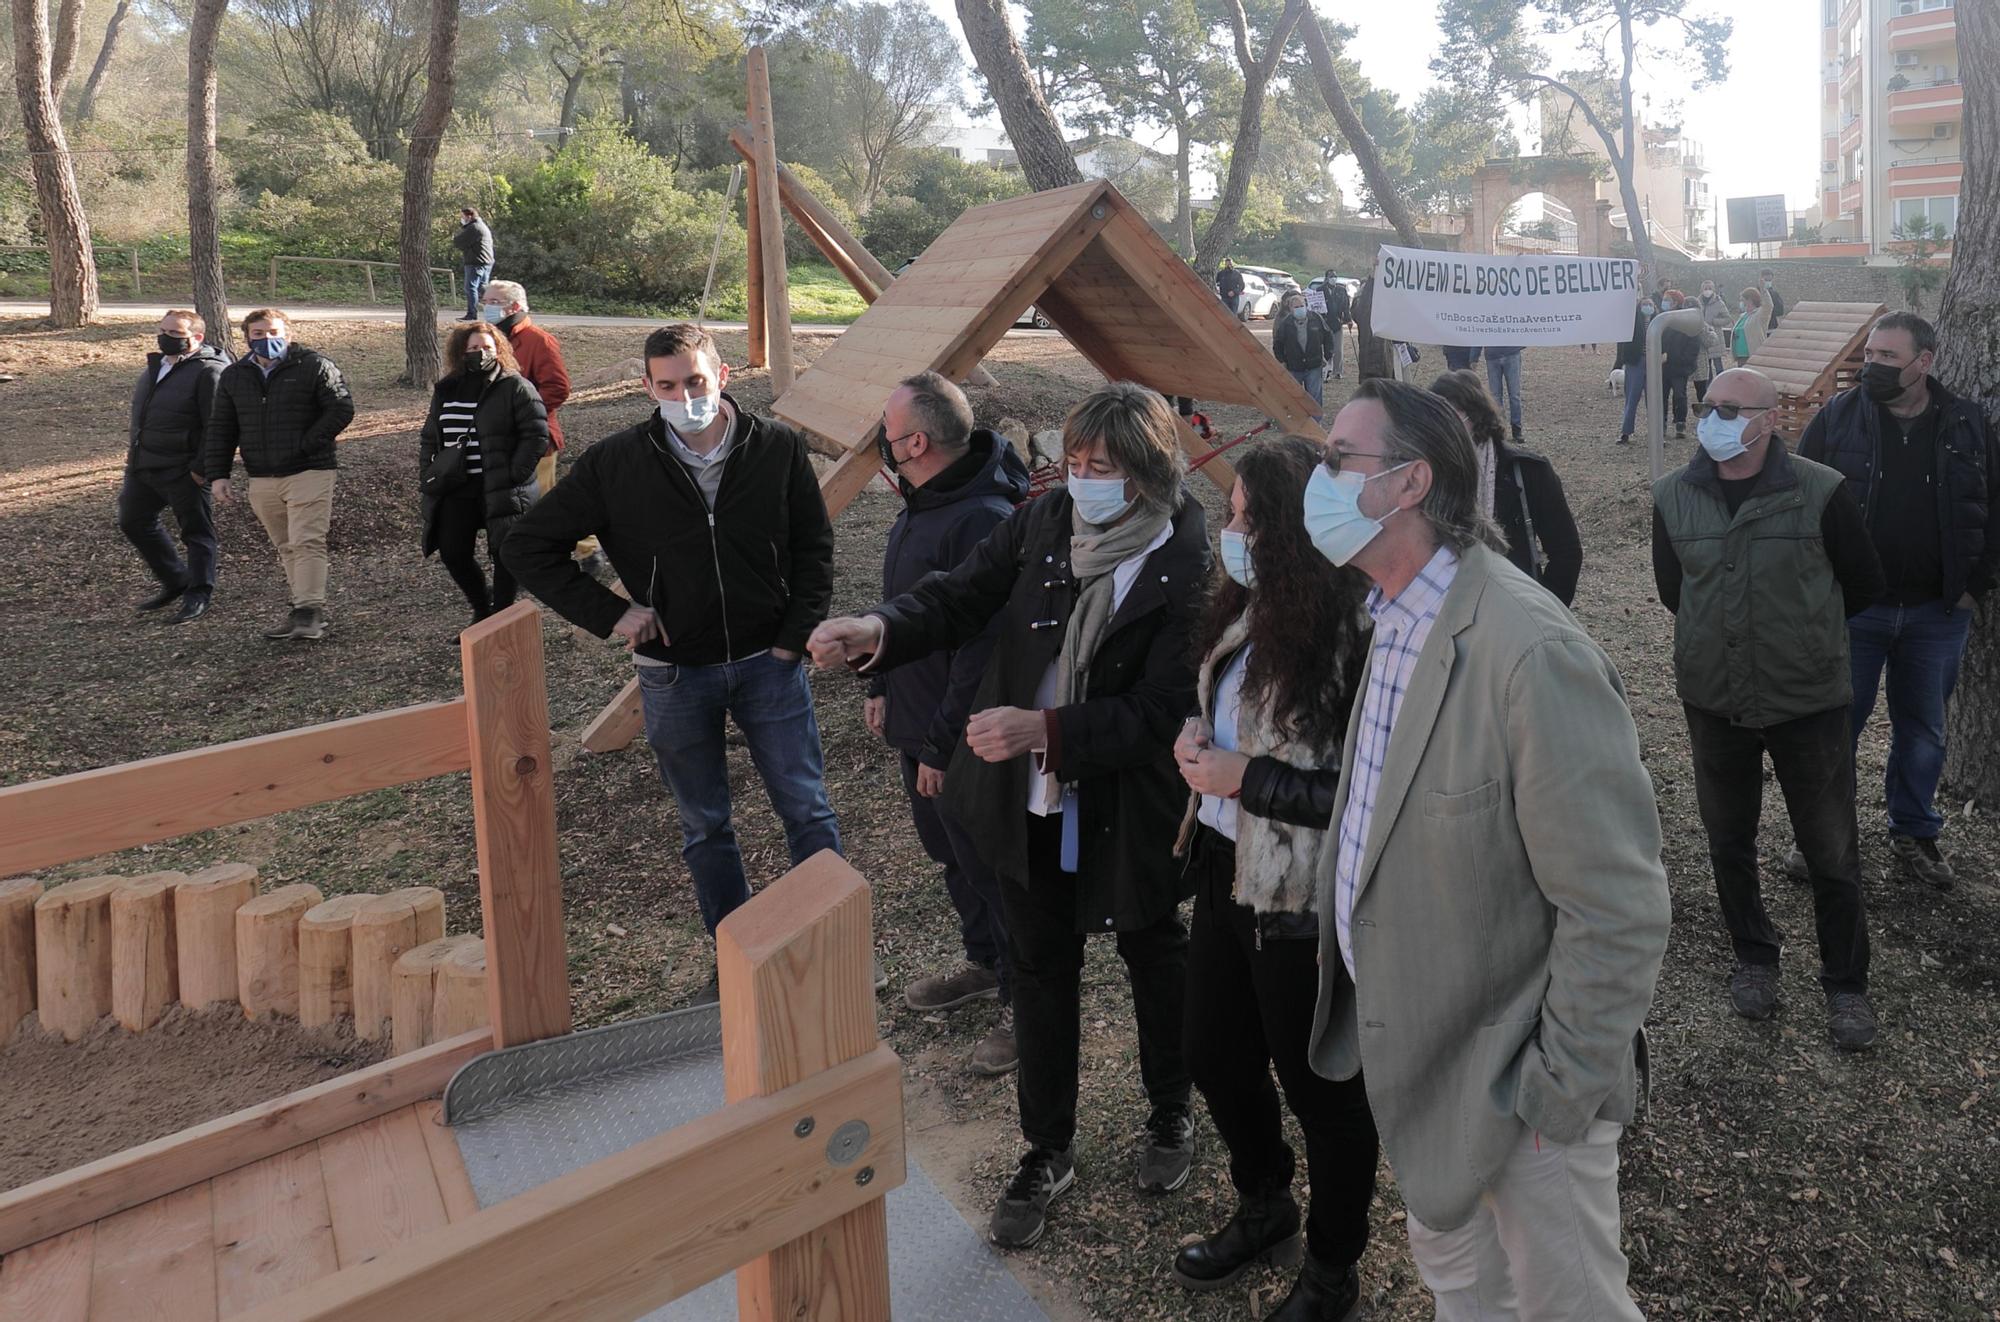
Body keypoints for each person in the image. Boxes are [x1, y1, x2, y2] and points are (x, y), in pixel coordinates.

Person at [809, 383, 1209, 1251]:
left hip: (1126, 802)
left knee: (1153, 954)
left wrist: (1050, 728)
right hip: (1030, 800)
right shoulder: (1046, 520)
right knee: (1038, 967)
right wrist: (875, 627)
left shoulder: (1184, 554)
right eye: (1074, 461)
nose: (1083, 478)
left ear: (1146, 473)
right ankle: (1047, 1146)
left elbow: (1166, 705)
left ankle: (1171, 1113)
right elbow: (959, 593)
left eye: (1102, 467)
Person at [1306, 378, 1671, 1319]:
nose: (1319, 477)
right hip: (1426, 1073)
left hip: (1521, 1095)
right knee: (1466, 1294)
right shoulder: (1390, 616)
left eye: (1338, 458)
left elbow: (1617, 903)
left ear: (1411, 482)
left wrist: (1558, 1097)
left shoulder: (1529, 649)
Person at [502, 323, 840, 999]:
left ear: (722, 376)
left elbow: (814, 547)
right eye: (667, 386)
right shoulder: (617, 463)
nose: (684, 396)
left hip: (768, 663)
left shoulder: (774, 448)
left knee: (805, 807)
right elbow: (528, 546)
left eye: (696, 381)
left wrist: (794, 632)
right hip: (673, 674)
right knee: (706, 824)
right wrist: (612, 613)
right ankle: (736, 958)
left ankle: (829, 939)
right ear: (648, 388)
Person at [1170, 437, 1380, 1320]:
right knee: (1212, 1053)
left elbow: (1370, 793)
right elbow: (1226, 723)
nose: (1233, 531)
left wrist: (1244, 779)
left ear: (1296, 532)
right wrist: (1194, 747)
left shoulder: (1356, 636)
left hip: (1297, 897)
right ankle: (1266, 1201)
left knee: (1320, 1091)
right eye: (1232, 515)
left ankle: (1333, 1268)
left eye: (1250, 519)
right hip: (1224, 865)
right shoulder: (1246, 610)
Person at [1653, 368, 1885, 1050]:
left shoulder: (1819, 491)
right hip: (1715, 699)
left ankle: (1846, 986)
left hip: (1806, 700)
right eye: (1707, 406)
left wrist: (1798, 637)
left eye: (1728, 408)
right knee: (1729, 840)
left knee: (1831, 851)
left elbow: (1863, 585)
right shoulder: (1673, 497)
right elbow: (1678, 593)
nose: (1713, 418)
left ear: (1767, 418)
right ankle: (1754, 957)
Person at [1799, 312, 2000, 890]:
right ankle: (1819, 836)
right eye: (1871, 355)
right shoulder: (1838, 418)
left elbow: (1994, 506)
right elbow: (1797, 501)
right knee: (1837, 724)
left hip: (1937, 614)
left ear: (1925, 362)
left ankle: (1913, 832)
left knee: (1924, 730)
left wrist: (1972, 586)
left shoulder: (1967, 423)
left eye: (1889, 357)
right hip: (1854, 610)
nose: (1874, 367)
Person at [867, 371, 1030, 1076]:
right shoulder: (929, 496)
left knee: (992, 872)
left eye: (889, 430)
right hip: (915, 719)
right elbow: (903, 602)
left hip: (960, 738)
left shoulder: (981, 517)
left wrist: (940, 744)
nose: (883, 441)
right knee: (952, 860)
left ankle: (1027, 1006)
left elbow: (981, 651)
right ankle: (985, 963)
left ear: (917, 441)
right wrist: (880, 681)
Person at [201, 308, 355, 641]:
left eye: (273, 332)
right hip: (261, 476)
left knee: (307, 541)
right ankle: (304, 608)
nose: (267, 339)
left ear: (287, 332)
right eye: (258, 334)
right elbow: (221, 427)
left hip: (309, 470)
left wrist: (307, 444)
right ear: (247, 337)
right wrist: (219, 474)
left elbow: (342, 408)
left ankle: (308, 611)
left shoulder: (314, 365)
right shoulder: (235, 375)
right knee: (287, 545)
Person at [418, 322, 549, 625]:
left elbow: (536, 434)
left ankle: (500, 617)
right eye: (474, 348)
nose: (481, 353)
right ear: (461, 352)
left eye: (487, 347)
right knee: (452, 552)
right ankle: (480, 608)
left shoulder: (514, 385)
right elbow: (430, 435)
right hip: (456, 486)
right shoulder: (446, 388)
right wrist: (428, 471)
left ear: (499, 350)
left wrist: (516, 473)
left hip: (501, 485)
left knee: (505, 553)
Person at [480, 280, 603, 575]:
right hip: (498, 440)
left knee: (546, 500)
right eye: (486, 300)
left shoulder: (539, 341)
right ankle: (522, 556)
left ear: (515, 307)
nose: (487, 306)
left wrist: (523, 415)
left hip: (535, 438)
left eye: (494, 301)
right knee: (512, 503)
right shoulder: (490, 339)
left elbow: (558, 388)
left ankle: (589, 549)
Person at [1429, 369, 1582, 604]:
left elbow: (1566, 552)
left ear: (1475, 416)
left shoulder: (1528, 472)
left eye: (1452, 417)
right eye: (1435, 419)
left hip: (1514, 605)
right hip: (1442, 608)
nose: (1443, 428)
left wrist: (1544, 612)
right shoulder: (1424, 474)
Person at [122, 309, 229, 625]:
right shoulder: (156, 366)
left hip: (184, 468)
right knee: (132, 520)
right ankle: (175, 579)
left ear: (196, 338)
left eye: (174, 334)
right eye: (163, 330)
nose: (165, 338)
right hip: (144, 464)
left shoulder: (210, 371)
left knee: (196, 532)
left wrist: (201, 468)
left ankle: (199, 593)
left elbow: (218, 424)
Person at [1271, 291, 1332, 410]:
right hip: (1294, 366)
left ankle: (1315, 422)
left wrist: (1328, 355)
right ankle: (1297, 421)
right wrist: (1281, 360)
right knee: (1295, 397)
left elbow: (1328, 336)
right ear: (1291, 309)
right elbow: (1278, 343)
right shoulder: (1285, 323)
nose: (1300, 309)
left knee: (1314, 396)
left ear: (1306, 305)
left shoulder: (1316, 318)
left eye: (1301, 306)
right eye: (1296, 307)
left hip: (1314, 364)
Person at [1614, 295, 1657, 445]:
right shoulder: (1631, 321)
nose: (1648, 307)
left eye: (1650, 304)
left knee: (1654, 401)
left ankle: (1657, 434)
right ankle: (1625, 432)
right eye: (1645, 304)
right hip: (1635, 362)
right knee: (1631, 399)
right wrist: (1621, 361)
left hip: (1654, 363)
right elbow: (1622, 342)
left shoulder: (1659, 321)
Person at [1660, 289, 1702, 440]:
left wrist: (1671, 357)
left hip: (1679, 367)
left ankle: (1680, 423)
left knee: (1679, 395)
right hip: (1663, 367)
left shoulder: (1685, 321)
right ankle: (1661, 425)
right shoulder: (1662, 319)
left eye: (1666, 300)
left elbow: (1693, 344)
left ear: (1676, 302)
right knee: (1661, 397)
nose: (1663, 302)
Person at [454, 206, 495, 321]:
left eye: (463, 216)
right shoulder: (481, 226)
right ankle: (495, 310)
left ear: (469, 216)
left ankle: (472, 314)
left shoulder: (474, 228)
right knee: (483, 288)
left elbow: (458, 241)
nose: (461, 219)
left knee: (471, 287)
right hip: (486, 261)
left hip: (476, 262)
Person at [1483, 344, 1526, 444]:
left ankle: (1516, 430)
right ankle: (1500, 429)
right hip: (1493, 356)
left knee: (1514, 395)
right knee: (1496, 397)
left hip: (1510, 353)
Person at [1697, 279, 1733, 390]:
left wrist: (1715, 321)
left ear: (1713, 290)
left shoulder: (1719, 302)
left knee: (1718, 365)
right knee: (1706, 366)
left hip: (1715, 337)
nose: (1707, 291)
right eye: (1705, 288)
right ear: (1701, 289)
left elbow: (1727, 318)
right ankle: (1710, 388)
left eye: (1709, 288)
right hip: (1702, 338)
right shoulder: (1697, 302)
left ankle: (1722, 386)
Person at [1320, 272, 1351, 380]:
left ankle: (1337, 371)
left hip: (1338, 323)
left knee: (1338, 349)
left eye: (1335, 276)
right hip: (1324, 323)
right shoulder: (1320, 290)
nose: (1333, 278)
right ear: (1326, 278)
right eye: (1331, 276)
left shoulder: (1341, 290)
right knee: (1326, 348)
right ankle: (1326, 370)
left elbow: (1346, 306)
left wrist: (1348, 319)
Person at [1732, 287, 1770, 366]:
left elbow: (1769, 305)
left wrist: (1764, 291)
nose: (1741, 303)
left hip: (1753, 354)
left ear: (1750, 300)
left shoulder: (1759, 314)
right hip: (1740, 355)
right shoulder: (1743, 316)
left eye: (1743, 300)